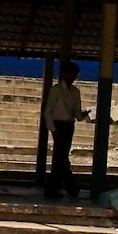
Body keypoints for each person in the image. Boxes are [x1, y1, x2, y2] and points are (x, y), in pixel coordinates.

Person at [43, 61, 87, 200]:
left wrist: (84, 114)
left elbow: (77, 114)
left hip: (68, 126)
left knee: (62, 157)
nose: (72, 77)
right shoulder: (56, 90)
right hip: (58, 125)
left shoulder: (75, 92)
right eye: (70, 74)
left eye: (74, 75)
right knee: (60, 157)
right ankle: (68, 186)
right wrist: (53, 129)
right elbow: (48, 112)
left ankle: (57, 187)